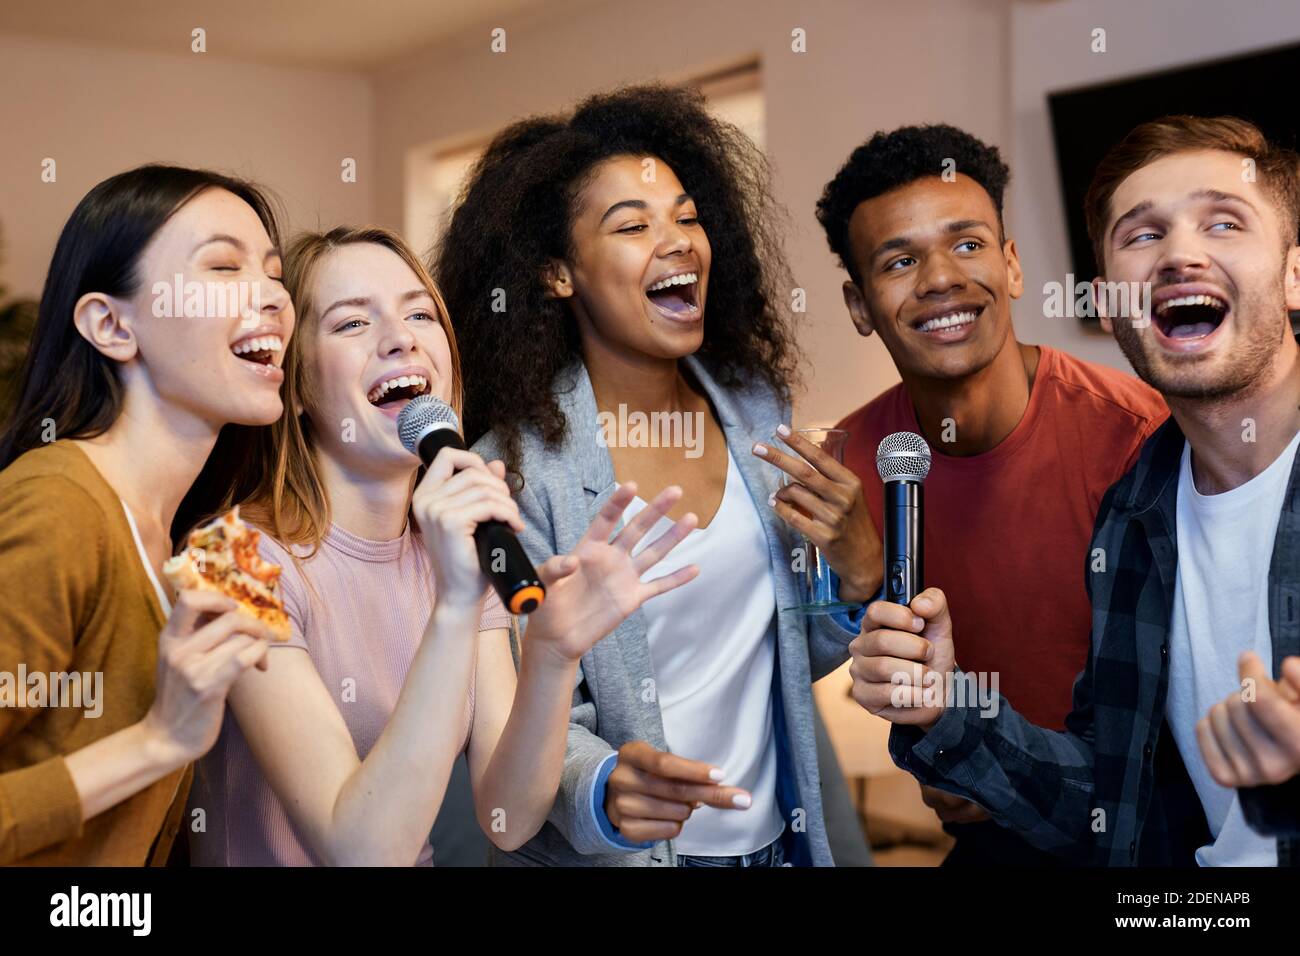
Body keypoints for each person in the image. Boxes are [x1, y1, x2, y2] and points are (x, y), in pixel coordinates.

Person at [437, 84, 871, 867]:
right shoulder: (511, 474)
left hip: (779, 845)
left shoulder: (754, 410)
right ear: (557, 274)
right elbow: (523, 714)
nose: (678, 242)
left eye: (688, 216)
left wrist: (857, 580)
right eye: (634, 226)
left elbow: (777, 651)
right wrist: (600, 784)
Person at [851, 115, 1300, 865]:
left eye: (1223, 222)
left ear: (1294, 274)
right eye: (1143, 236)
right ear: (1106, 298)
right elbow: (1109, 803)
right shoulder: (1133, 512)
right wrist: (944, 707)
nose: (1181, 253)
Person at [187, 226, 697, 865]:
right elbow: (361, 853)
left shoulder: (453, 551)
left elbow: (507, 819)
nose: (401, 338)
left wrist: (553, 655)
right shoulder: (226, 557)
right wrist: (457, 605)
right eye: (350, 324)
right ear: (294, 389)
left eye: (421, 313)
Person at [799, 124, 1167, 864]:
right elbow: (826, 669)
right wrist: (943, 758)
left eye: (967, 245)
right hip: (991, 837)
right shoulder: (847, 468)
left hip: (1142, 827)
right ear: (859, 305)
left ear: (1013, 265)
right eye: (900, 261)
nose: (940, 278)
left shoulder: (1138, 438)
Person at [0, 165, 291, 864]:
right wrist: (160, 738)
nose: (275, 297)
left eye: (275, 273)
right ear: (110, 324)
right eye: (223, 265)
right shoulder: (59, 508)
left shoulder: (191, 541)